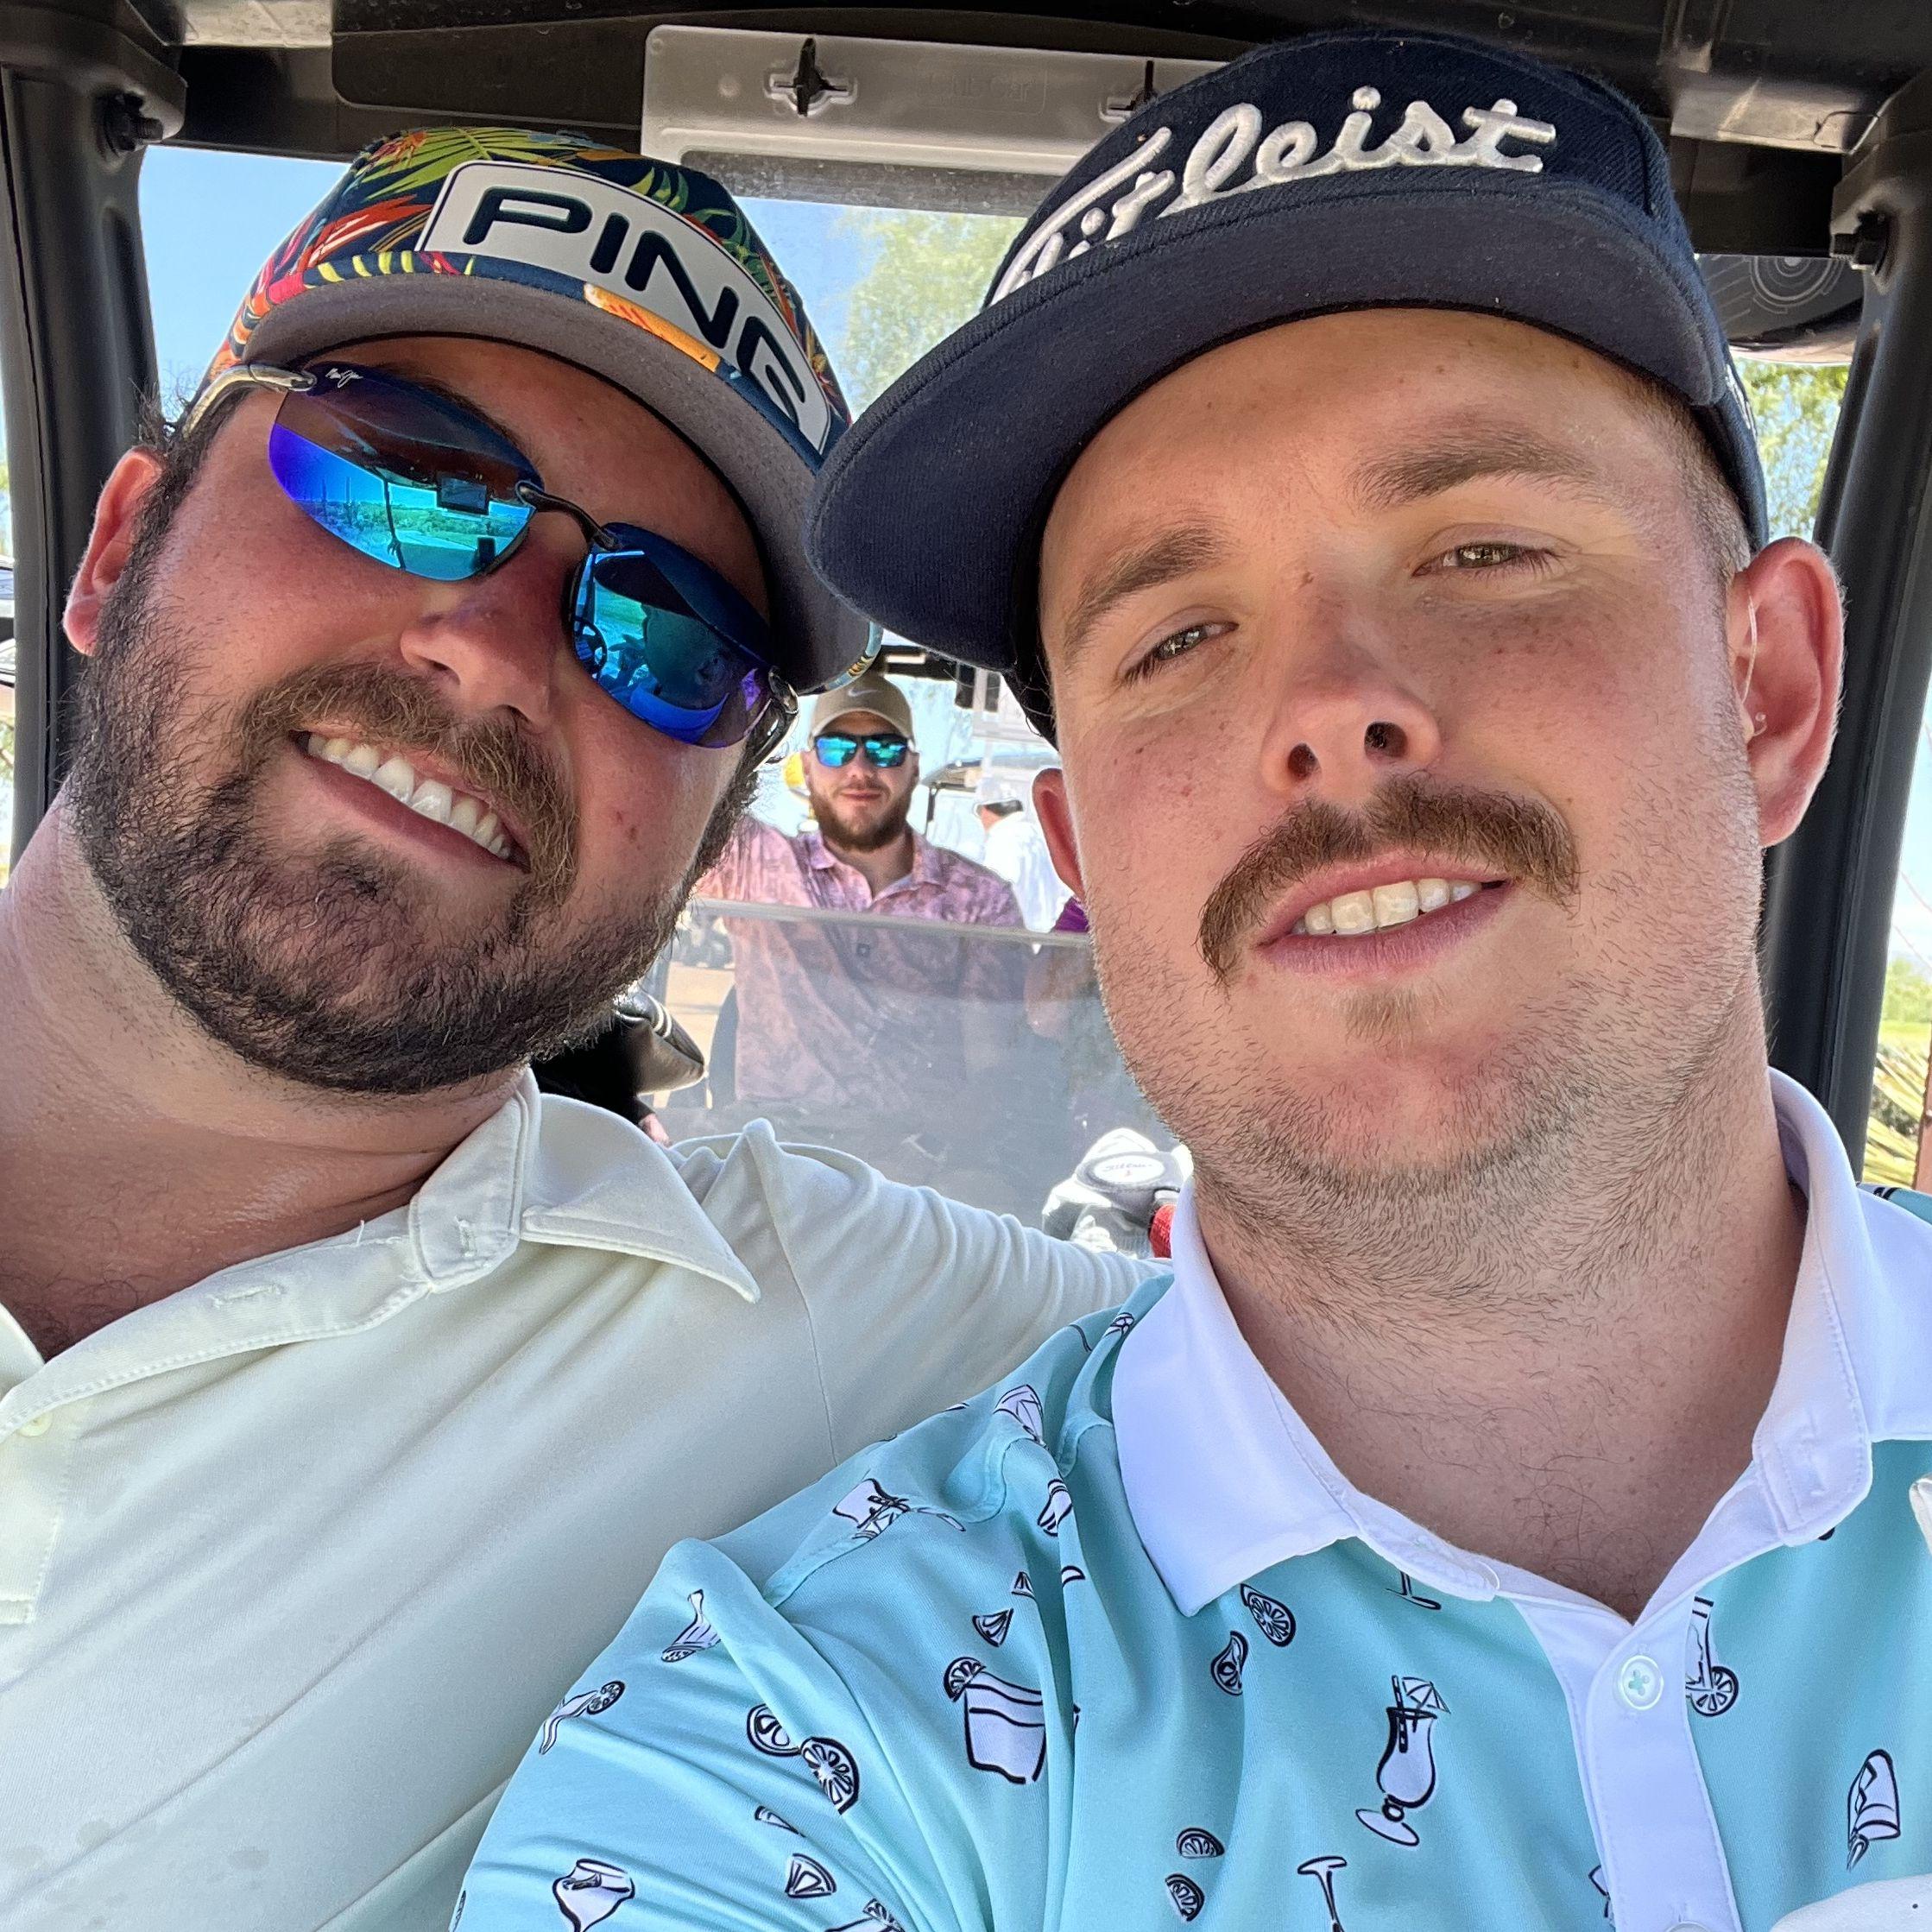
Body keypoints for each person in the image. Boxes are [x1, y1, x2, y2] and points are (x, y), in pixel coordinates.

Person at [457, 33, 1930, 1930]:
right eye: (1173, 636)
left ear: (1770, 691)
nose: (1329, 705)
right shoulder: (798, 1731)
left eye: (1482, 547)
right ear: (1085, 864)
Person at [0, 127, 1149, 1932]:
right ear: (119, 545)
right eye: (400, 477)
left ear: (708, 838)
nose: (495, 646)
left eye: (671, 635)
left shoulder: (804, 1318)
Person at [692, 674, 1032, 1190]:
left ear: (913, 766)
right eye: (836, 748)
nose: (860, 768)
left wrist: (930, 1154)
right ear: (807, 765)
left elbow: (994, 1070)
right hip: (775, 1156)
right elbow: (689, 779)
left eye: (884, 748)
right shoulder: (754, 863)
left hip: (914, 1173)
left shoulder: (978, 900)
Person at [975, 767, 1069, 931]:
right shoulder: (1037, 835)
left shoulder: (1003, 841)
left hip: (1018, 936)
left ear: (985, 811)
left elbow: (995, 895)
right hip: (1048, 933)